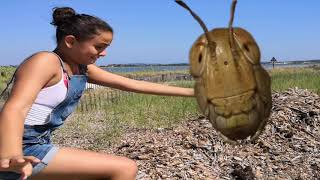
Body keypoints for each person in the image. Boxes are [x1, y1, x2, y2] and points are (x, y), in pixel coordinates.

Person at [0, 7, 194, 180]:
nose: (103, 54)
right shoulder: (45, 61)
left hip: (37, 144)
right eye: (99, 46)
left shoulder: (81, 68)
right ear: (70, 41)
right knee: (125, 168)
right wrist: (11, 155)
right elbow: (15, 108)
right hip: (18, 147)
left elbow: (132, 84)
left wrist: (196, 92)